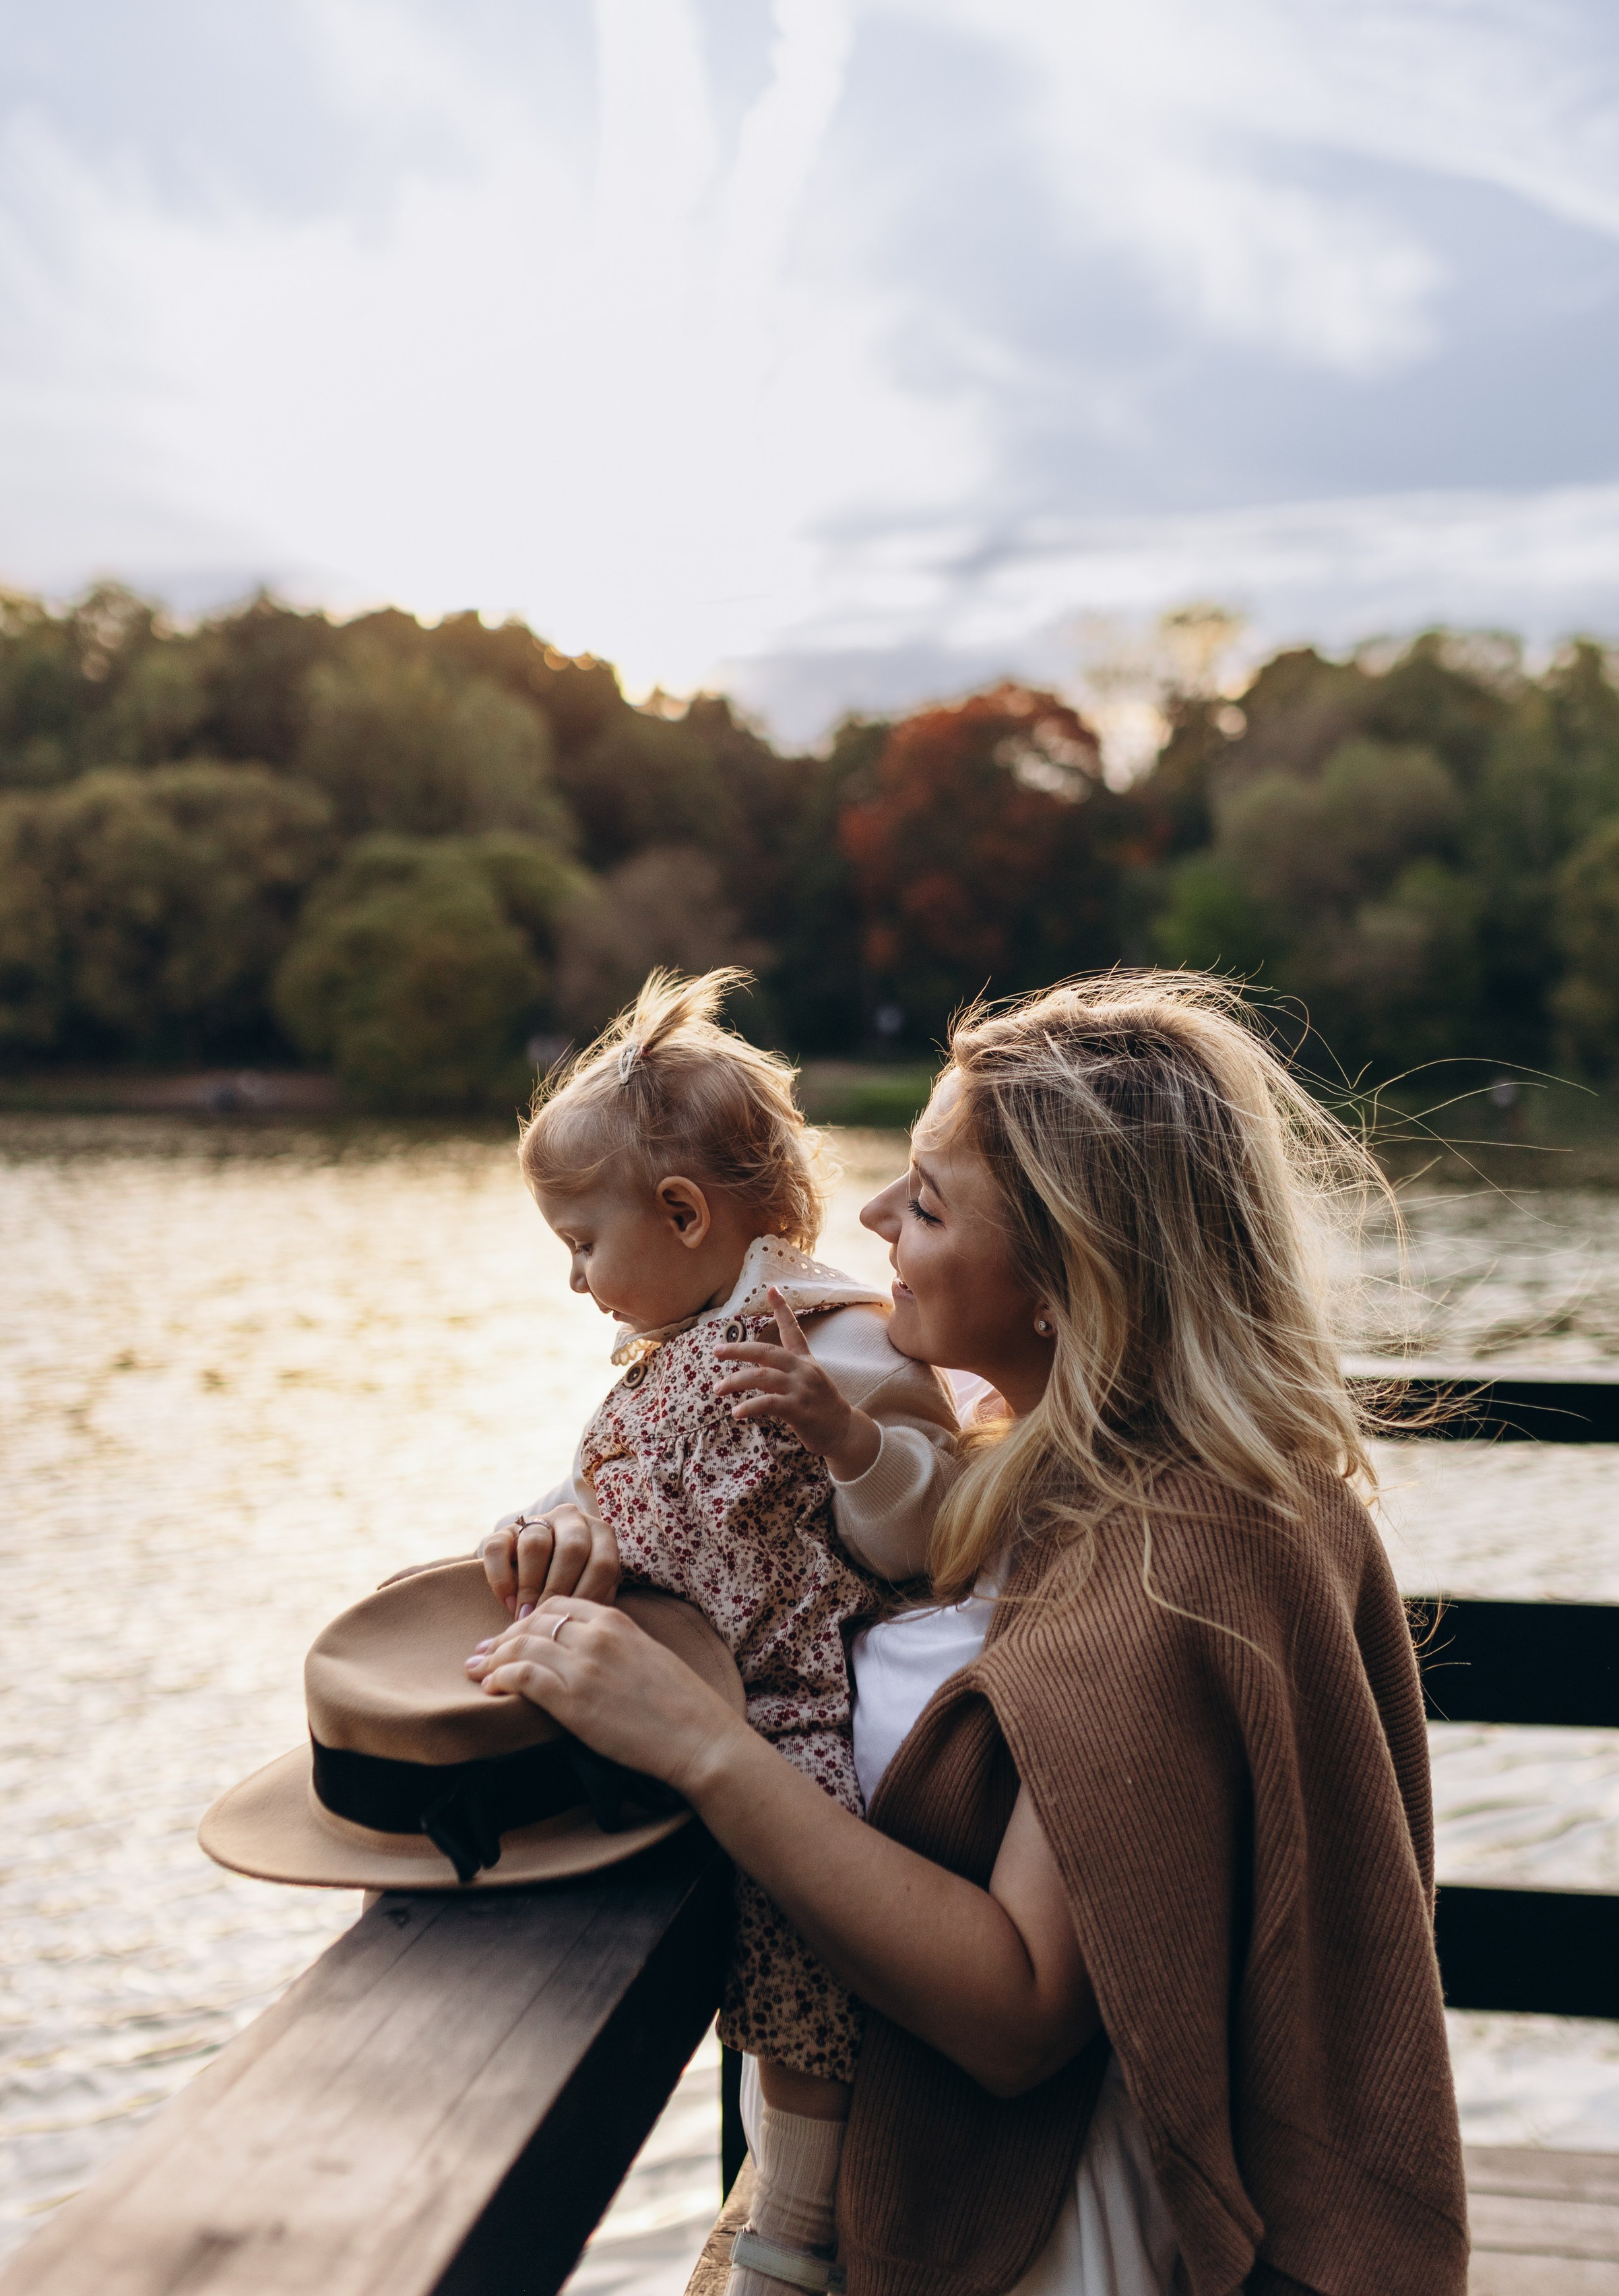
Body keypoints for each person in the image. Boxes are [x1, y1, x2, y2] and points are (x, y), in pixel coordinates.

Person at [466, 972, 1469, 2296]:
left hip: (1039, 2240)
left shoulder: (1177, 1555)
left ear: (1067, 1272)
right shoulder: (1036, 1482)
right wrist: (582, 1532)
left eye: (928, 1201)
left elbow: (1012, 2014)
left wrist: (701, 1746)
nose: (869, 1215)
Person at [484, 968, 963, 2293]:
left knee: (800, 1992)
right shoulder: (668, 1351)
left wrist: (850, 1443)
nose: (576, 1283)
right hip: (688, 1704)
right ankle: (771, 2203)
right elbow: (610, 1485)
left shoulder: (831, 1341)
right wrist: (553, 1523)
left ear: (683, 1213)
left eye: (581, 1243)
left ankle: (794, 2235)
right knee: (742, 1993)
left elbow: (931, 1535)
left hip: (796, 1716)